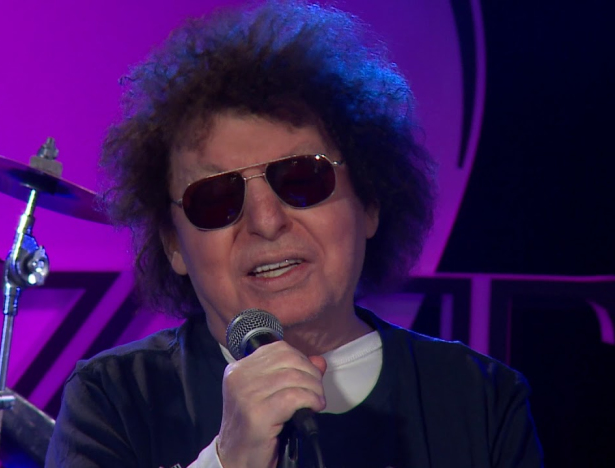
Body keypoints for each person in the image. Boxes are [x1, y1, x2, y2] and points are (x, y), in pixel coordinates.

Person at [45, 1, 544, 467]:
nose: (266, 221)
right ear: (173, 243)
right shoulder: (113, 398)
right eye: (215, 198)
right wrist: (228, 458)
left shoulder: (480, 400)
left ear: (370, 202)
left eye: (302, 179)